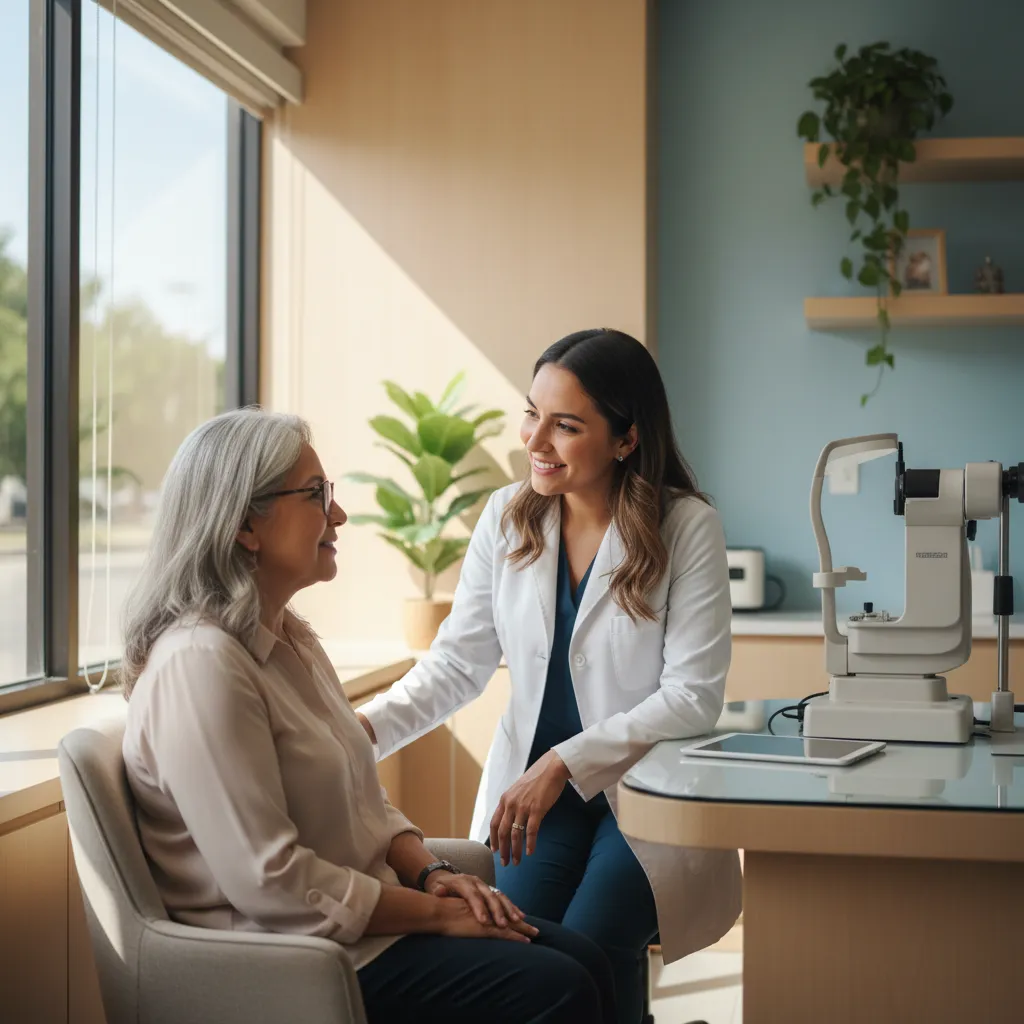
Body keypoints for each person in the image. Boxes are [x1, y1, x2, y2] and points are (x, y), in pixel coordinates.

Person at [120, 408, 615, 1024]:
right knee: (558, 986)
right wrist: (439, 915)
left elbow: (362, 803)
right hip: (293, 957)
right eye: (315, 495)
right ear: (247, 524)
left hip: (360, 931)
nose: (338, 514)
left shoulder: (291, 641)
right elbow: (270, 882)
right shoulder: (200, 665)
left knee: (586, 961)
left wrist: (430, 873)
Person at [357, 328, 743, 1024]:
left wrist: (563, 762)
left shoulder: (686, 526)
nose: (536, 440)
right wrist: (361, 731)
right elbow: (456, 664)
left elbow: (693, 695)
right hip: (537, 803)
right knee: (529, 946)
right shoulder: (506, 519)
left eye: (566, 425)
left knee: (597, 939)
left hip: (648, 792)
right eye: (532, 413)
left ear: (625, 440)